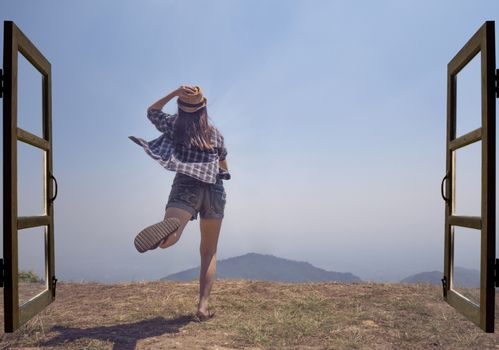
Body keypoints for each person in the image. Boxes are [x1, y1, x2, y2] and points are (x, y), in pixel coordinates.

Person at [129, 85, 230, 322]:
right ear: (203, 107)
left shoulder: (175, 125)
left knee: (170, 237)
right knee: (209, 251)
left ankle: (171, 229)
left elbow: (152, 111)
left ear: (182, 108)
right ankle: (203, 308)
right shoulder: (215, 133)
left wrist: (175, 92)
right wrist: (217, 175)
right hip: (215, 189)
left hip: (186, 185)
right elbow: (224, 165)